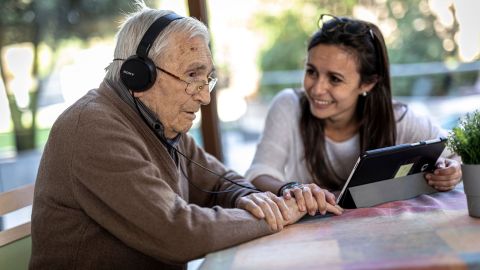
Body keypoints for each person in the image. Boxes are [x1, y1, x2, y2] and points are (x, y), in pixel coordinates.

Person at [29, 3, 329, 270]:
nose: (204, 97)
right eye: (191, 76)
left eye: (207, 79)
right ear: (138, 74)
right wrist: (276, 215)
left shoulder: (159, 123)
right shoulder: (94, 128)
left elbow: (221, 182)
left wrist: (257, 200)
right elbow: (177, 232)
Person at [245, 14, 462, 216]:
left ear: (368, 83)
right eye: (311, 71)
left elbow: (458, 153)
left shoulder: (397, 120)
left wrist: (454, 171)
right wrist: (290, 188)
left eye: (334, 79)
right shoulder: (289, 106)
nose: (317, 89)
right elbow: (258, 173)